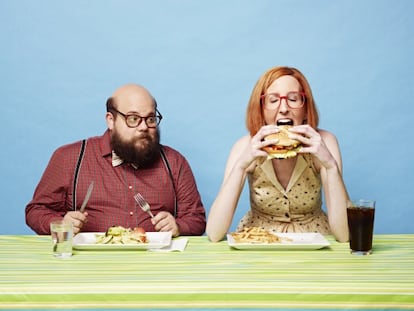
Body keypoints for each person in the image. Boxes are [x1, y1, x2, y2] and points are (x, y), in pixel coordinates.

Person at [26, 84, 206, 237]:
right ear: (110, 120)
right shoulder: (69, 158)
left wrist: (178, 226)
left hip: (156, 265)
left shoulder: (174, 162)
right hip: (86, 266)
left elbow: (196, 219)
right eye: (133, 119)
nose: (144, 127)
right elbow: (36, 211)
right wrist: (59, 223)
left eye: (150, 119)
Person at [206, 66, 349, 242]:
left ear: (305, 109)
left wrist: (331, 166)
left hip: (314, 240)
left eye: (293, 99)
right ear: (261, 109)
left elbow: (345, 236)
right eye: (273, 100)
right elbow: (214, 233)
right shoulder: (245, 146)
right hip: (259, 242)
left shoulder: (324, 142)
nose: (283, 109)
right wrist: (241, 166)